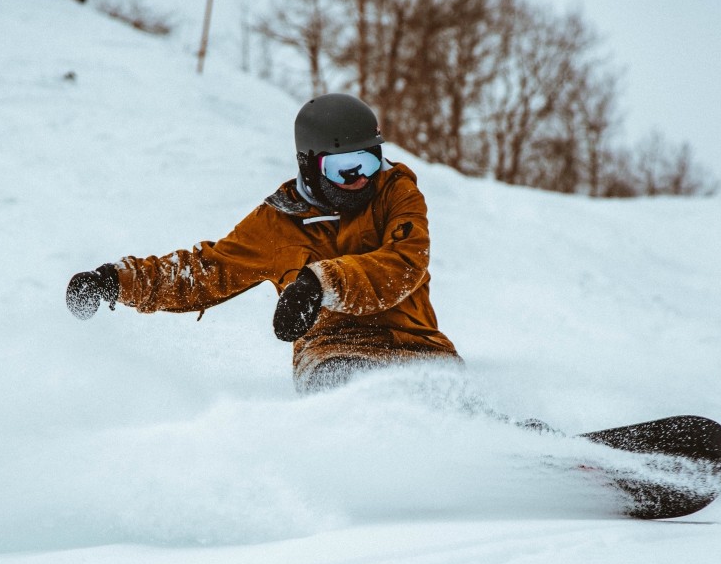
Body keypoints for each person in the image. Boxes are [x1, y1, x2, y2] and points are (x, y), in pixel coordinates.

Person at [66, 93, 461, 394]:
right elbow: (207, 271)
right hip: (333, 353)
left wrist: (319, 284)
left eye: (370, 160)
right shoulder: (278, 223)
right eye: (344, 167)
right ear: (309, 164)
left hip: (420, 346)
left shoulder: (397, 193)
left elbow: (403, 263)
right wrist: (115, 281)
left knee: (449, 400)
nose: (361, 178)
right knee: (361, 397)